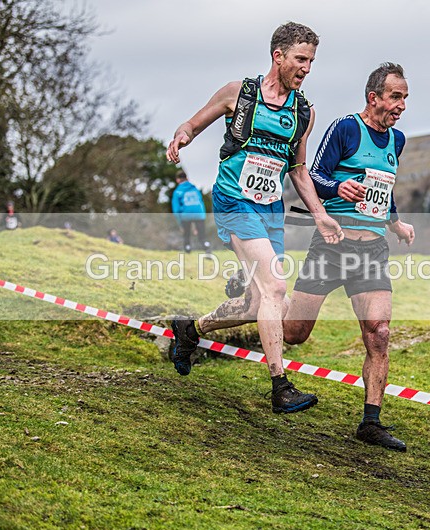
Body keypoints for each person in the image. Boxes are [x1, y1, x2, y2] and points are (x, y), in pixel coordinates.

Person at [165, 22, 343, 414]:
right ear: (277, 56)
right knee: (277, 289)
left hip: (270, 210)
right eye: (300, 59)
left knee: (257, 303)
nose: (307, 68)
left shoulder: (303, 112)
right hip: (233, 202)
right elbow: (193, 124)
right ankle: (280, 387)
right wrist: (181, 137)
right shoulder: (239, 93)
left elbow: (298, 171)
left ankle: (189, 330)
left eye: (312, 61)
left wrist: (321, 215)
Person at [282, 63, 415, 451]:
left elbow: (383, 189)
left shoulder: (397, 140)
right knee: (295, 333)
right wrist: (340, 187)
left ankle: (370, 423)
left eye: (405, 98)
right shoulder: (345, 128)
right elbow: (313, 177)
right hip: (333, 244)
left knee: (380, 333)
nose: (402, 106)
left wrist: (396, 223)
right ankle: (253, 305)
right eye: (395, 97)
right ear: (373, 97)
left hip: (371, 250)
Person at [171, 169, 211, 253]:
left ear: (177, 180)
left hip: (186, 214)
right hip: (199, 214)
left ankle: (187, 247)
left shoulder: (177, 191)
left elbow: (176, 209)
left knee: (186, 233)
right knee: (202, 234)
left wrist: (180, 223)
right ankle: (205, 245)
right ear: (187, 178)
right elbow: (201, 202)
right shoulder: (195, 189)